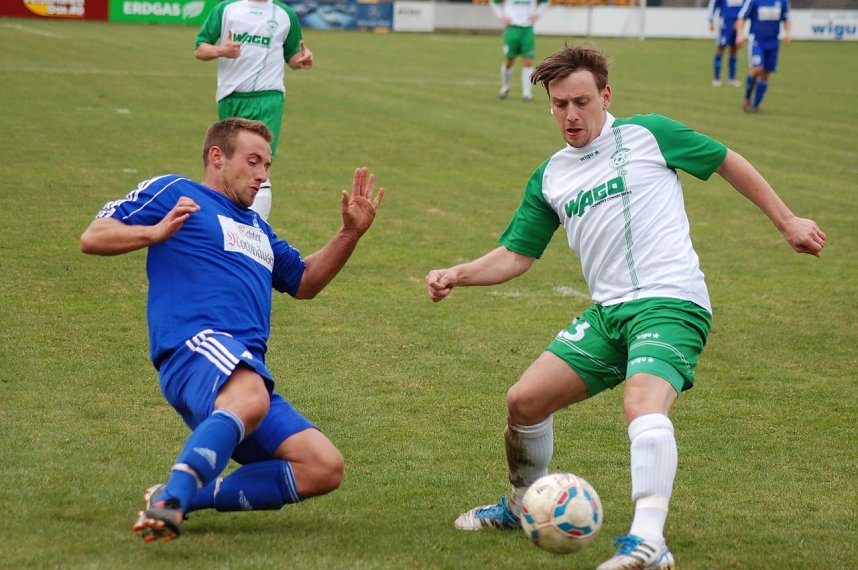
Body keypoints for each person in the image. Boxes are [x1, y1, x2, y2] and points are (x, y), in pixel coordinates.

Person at [425, 45, 824, 570]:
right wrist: (458, 272)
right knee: (524, 401)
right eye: (559, 104)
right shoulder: (550, 176)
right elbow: (517, 255)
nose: (571, 115)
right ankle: (523, 505)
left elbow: (726, 160)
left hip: (671, 301)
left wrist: (787, 221)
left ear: (605, 96)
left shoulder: (648, 134)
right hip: (609, 313)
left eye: (582, 102)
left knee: (642, 405)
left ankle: (649, 543)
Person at [80, 118, 384, 543]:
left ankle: (178, 496)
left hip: (243, 369)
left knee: (322, 467)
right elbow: (93, 236)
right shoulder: (176, 192)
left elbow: (305, 282)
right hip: (195, 347)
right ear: (217, 157)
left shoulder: (259, 229)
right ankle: (172, 502)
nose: (263, 175)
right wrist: (154, 231)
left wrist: (350, 234)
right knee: (251, 394)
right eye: (253, 161)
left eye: (268, 166)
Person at [194, 0, 315, 221]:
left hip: (268, 97)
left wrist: (303, 59)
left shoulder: (285, 14)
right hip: (231, 96)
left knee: (258, 159)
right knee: (232, 160)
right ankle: (228, 220)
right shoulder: (226, 9)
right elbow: (200, 49)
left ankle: (253, 230)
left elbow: (293, 57)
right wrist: (221, 50)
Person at [735, 0, 791, 112]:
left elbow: (786, 18)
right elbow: (741, 17)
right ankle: (747, 98)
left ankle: (755, 106)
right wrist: (740, 34)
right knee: (758, 68)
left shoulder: (783, 2)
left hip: (773, 42)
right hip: (757, 41)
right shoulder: (754, 1)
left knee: (765, 74)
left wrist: (787, 33)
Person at [490, 0, 549, 102]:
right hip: (512, 28)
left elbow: (545, 1)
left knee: (528, 62)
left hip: (527, 29)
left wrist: (537, 14)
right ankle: (505, 87)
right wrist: (502, 16)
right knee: (509, 61)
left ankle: (527, 93)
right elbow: (493, 2)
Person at [707, 0, 745, 87]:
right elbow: (713, 4)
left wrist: (742, 21)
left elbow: (746, 7)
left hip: (737, 22)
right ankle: (716, 78)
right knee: (720, 48)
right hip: (725, 22)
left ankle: (731, 79)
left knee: (734, 49)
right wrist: (711, 20)